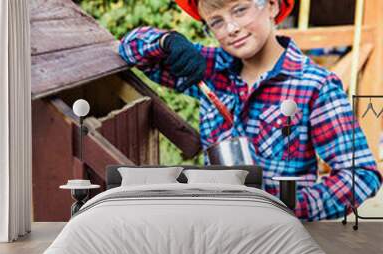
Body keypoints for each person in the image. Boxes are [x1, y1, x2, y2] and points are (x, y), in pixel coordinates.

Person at [118, 0, 382, 220]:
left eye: (240, 10)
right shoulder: (210, 71)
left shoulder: (315, 86)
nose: (231, 28)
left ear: (272, 6)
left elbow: (361, 175)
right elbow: (130, 50)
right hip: (216, 229)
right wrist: (167, 41)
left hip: (280, 240)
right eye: (216, 21)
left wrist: (289, 207)